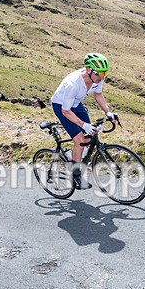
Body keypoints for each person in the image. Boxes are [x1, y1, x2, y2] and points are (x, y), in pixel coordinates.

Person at [50, 52, 118, 189]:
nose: (102, 77)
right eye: (99, 73)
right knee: (80, 141)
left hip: (76, 103)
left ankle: (72, 154)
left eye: (104, 73)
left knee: (90, 135)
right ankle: (75, 177)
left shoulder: (97, 77)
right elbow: (66, 111)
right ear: (88, 70)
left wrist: (108, 112)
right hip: (62, 106)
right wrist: (83, 125)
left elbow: (98, 95)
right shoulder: (73, 83)